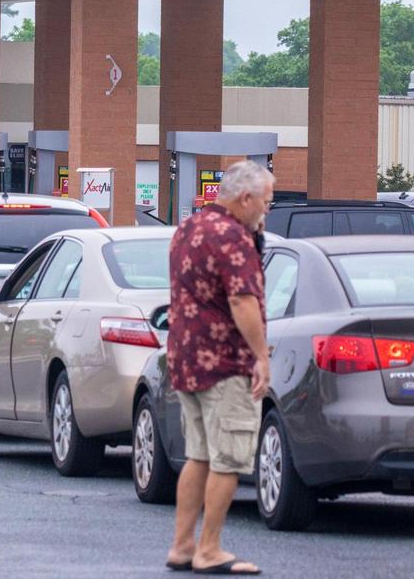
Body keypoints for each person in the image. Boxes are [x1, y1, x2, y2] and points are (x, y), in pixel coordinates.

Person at [164, 160, 274, 576]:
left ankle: (182, 545)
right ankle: (209, 549)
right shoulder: (232, 237)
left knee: (200, 456)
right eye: (265, 203)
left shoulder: (189, 228)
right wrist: (261, 356)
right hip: (226, 362)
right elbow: (242, 301)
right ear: (244, 199)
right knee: (228, 457)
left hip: (188, 358)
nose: (266, 210)